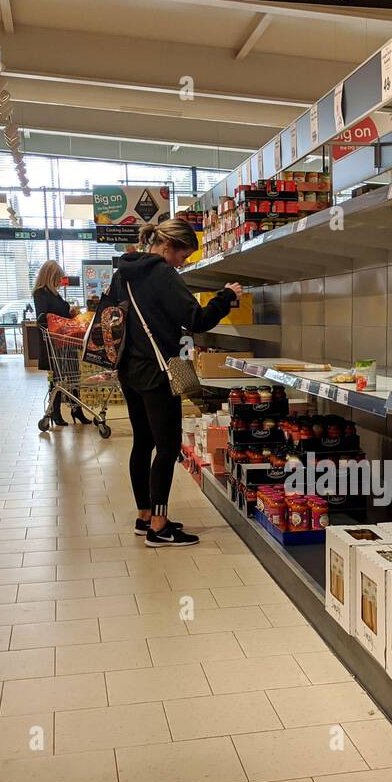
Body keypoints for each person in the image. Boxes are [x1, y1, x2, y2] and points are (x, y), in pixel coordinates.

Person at [106, 218, 242, 547]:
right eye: (183, 257)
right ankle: (159, 525)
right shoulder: (162, 274)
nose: (182, 264)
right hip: (158, 373)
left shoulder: (121, 273)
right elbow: (196, 319)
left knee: (142, 443)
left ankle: (143, 516)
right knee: (167, 448)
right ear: (167, 247)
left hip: (129, 371)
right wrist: (225, 297)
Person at [32, 259, 87, 425]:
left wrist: (70, 312)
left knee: (73, 375)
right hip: (54, 341)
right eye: (57, 278)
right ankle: (55, 412)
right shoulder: (40, 293)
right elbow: (43, 317)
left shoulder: (54, 293)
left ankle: (77, 410)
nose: (59, 281)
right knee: (59, 377)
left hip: (65, 339)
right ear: (50, 276)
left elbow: (60, 313)